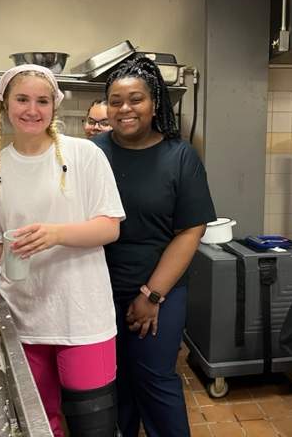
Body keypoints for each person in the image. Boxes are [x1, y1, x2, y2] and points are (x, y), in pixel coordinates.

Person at [0, 64, 125, 437]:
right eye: (22, 99)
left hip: (83, 314)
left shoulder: (84, 156)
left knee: (94, 425)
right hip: (24, 316)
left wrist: (56, 234)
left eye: (42, 100)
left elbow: (110, 227)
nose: (32, 109)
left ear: (55, 106)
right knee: (40, 424)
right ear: (4, 105)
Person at [93, 57, 216, 437]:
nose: (124, 109)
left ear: (155, 104)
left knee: (154, 378)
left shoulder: (180, 157)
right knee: (113, 383)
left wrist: (151, 294)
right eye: (115, 101)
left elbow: (189, 232)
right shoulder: (91, 154)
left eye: (135, 99)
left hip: (159, 289)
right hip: (97, 291)